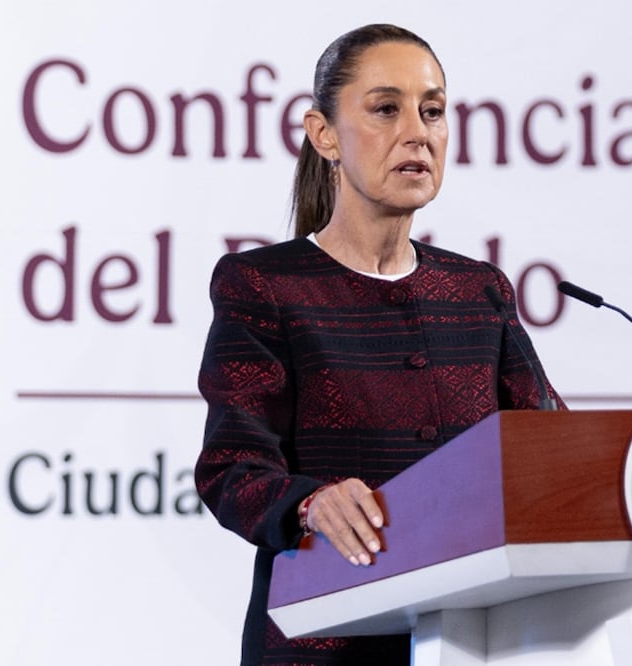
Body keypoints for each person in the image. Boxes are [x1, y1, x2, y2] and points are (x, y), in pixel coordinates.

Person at [195, 23, 563, 665]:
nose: (417, 132)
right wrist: (309, 502)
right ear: (324, 135)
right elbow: (232, 469)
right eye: (387, 109)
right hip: (325, 642)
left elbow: (551, 453)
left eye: (433, 111)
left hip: (470, 640)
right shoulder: (265, 285)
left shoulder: (478, 292)